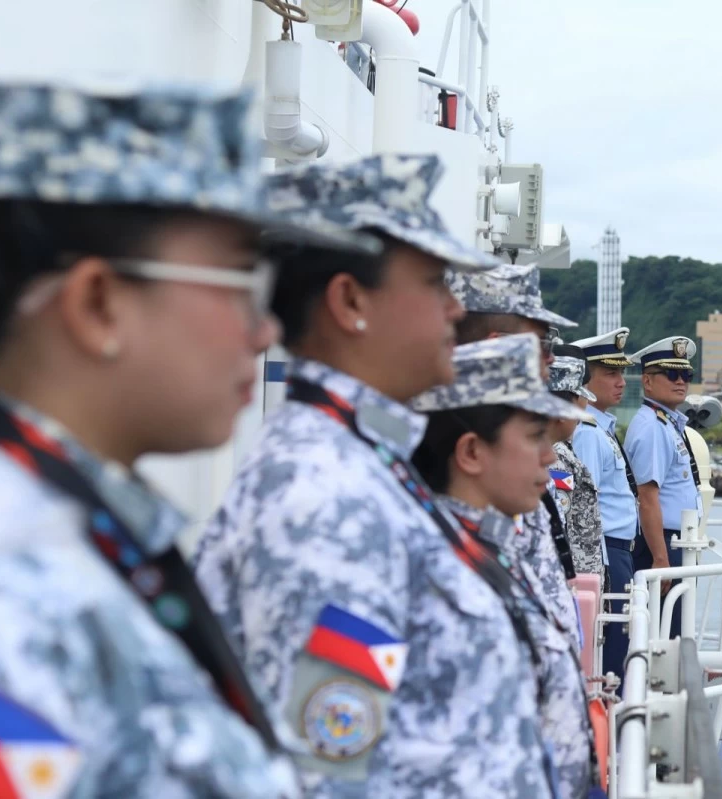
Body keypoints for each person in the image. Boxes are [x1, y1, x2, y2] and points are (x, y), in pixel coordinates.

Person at [191, 155, 556, 798]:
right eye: (434, 283)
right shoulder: (326, 495)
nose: (453, 309)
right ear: (350, 300)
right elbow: (328, 777)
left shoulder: (368, 466)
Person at [0, 80, 300, 797]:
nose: (266, 329)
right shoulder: (3, 592)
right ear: (97, 302)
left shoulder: (84, 542)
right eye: (242, 280)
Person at [411, 334, 596, 799]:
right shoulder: (428, 572)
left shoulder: (492, 548)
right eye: (534, 435)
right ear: (472, 452)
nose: (551, 454)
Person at [448, 263, 582, 653]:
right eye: (544, 344)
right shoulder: (452, 452)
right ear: (497, 343)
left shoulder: (503, 450)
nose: (552, 360)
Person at [568, 327, 639, 683]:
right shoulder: (589, 434)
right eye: (610, 373)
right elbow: (585, 506)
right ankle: (610, 719)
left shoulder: (601, 428)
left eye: (622, 372)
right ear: (583, 381)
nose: (621, 381)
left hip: (618, 550)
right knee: (611, 644)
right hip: (606, 551)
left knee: (619, 639)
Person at [625, 335, 703, 641]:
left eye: (686, 375)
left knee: (675, 624)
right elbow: (647, 498)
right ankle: (658, 686)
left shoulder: (667, 424)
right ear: (647, 381)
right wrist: (660, 558)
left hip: (677, 541)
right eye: (671, 374)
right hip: (663, 543)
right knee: (664, 630)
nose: (680, 381)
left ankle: (671, 679)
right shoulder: (652, 428)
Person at [548, 354, 606, 580]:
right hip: (572, 577)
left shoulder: (562, 452)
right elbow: (560, 525)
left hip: (582, 574)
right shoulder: (554, 457)